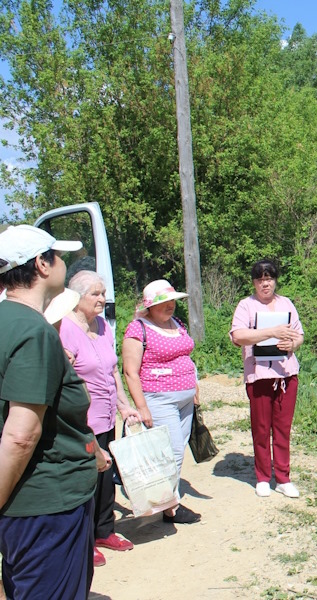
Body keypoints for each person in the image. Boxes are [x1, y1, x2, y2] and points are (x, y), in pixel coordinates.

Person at [0, 225, 112, 599]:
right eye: (59, 256)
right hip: (46, 507)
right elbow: (21, 435)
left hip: (23, 507)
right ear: (42, 265)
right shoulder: (35, 332)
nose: (64, 263)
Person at [61, 270, 141, 567]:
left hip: (106, 417)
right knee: (86, 481)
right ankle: (83, 542)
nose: (102, 299)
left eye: (103, 293)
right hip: (81, 421)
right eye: (95, 293)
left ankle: (104, 531)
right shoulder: (65, 328)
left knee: (106, 477)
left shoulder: (103, 325)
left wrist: (124, 406)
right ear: (77, 297)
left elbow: (112, 370)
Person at [121, 279, 201, 524]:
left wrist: (194, 387)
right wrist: (142, 407)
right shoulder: (138, 329)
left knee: (178, 449)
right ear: (149, 306)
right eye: (163, 302)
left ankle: (167, 499)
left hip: (184, 398)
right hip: (159, 399)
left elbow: (186, 357)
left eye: (172, 301)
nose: (170, 305)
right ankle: (170, 506)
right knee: (171, 451)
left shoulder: (176, 323)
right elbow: (130, 371)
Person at [230, 258, 304, 498]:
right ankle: (263, 477)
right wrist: (271, 332)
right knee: (261, 429)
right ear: (254, 282)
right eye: (260, 279)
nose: (265, 284)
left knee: (283, 428)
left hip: (286, 374)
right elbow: (238, 336)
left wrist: (293, 343)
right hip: (259, 375)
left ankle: (283, 478)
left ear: (275, 281)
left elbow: (299, 335)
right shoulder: (246, 306)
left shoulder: (286, 303)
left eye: (269, 278)